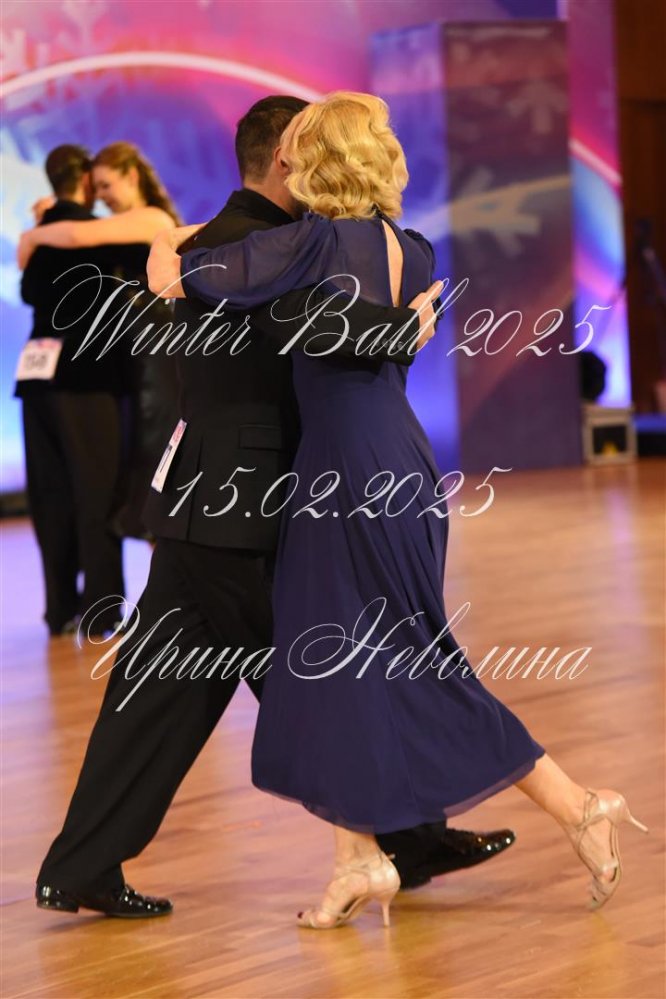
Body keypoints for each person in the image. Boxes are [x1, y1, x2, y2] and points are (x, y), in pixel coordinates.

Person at [154, 91, 649, 929]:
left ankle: (577, 805)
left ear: (319, 163)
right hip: (402, 467)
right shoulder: (412, 250)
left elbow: (180, 277)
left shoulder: (310, 244)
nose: (289, 163)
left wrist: (160, 235)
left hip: (345, 476)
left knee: (399, 662)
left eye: (301, 149)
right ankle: (358, 859)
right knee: (343, 666)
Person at [35, 96, 514, 920]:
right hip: (248, 508)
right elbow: (319, 329)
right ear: (289, 157)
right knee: (328, 674)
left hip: (209, 506)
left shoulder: (221, 242)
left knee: (162, 693)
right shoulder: (264, 250)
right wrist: (405, 326)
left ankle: (79, 865)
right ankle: (412, 838)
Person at [18, 142, 181, 542]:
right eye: (96, 186)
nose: (101, 195)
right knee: (136, 477)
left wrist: (34, 233)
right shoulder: (119, 231)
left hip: (156, 358)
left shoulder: (151, 217)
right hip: (132, 360)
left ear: (132, 176)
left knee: (157, 468)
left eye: (106, 185)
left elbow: (76, 233)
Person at [15, 145, 126, 636]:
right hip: (85, 378)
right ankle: (101, 608)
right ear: (84, 181)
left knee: (50, 495)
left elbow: (28, 289)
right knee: (97, 493)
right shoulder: (97, 234)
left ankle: (59, 608)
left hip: (35, 378)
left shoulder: (37, 237)